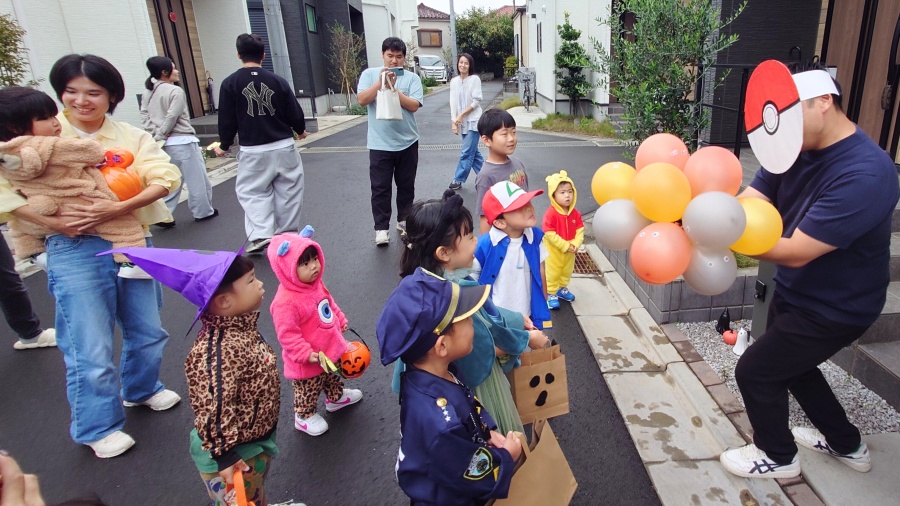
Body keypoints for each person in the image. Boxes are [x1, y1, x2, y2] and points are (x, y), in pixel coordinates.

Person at [719, 62, 900, 479]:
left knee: (756, 370)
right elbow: (756, 196)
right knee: (795, 368)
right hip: (796, 289)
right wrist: (719, 218)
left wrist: (727, 236)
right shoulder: (791, 147)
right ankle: (847, 444)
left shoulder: (867, 172)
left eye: (791, 112)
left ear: (823, 102)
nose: (782, 128)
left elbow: (797, 251)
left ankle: (778, 456)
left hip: (838, 306)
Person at [0, 54, 182, 458]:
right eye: (71, 92)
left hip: (130, 238)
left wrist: (117, 207)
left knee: (148, 330)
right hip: (72, 246)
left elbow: (165, 176)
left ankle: (141, 388)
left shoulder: (130, 135)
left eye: (93, 92)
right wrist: (53, 222)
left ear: (112, 96)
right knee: (89, 344)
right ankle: (97, 425)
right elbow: (5, 189)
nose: (81, 101)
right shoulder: (34, 133)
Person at [398, 189, 549, 434]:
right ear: (444, 253)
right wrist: (526, 340)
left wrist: (514, 319)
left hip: (433, 385)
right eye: (469, 237)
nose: (476, 241)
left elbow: (485, 315)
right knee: (490, 437)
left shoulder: (426, 284)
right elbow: (477, 347)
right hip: (475, 389)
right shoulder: (455, 297)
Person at [376, 268, 522, 505]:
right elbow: (473, 474)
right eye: (466, 319)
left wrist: (485, 433)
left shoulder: (435, 373)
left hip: (448, 469)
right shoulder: (441, 424)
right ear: (442, 346)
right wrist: (506, 456)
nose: (472, 321)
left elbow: (468, 407)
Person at [0, 87, 147, 270]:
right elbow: (92, 152)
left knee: (20, 229)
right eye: (45, 118)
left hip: (38, 214)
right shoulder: (53, 146)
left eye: (54, 116)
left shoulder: (5, 154)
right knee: (125, 228)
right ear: (15, 126)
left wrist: (50, 222)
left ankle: (31, 251)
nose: (55, 123)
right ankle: (130, 261)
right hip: (82, 209)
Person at [214, 34, 308, 255]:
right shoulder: (278, 81)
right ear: (263, 55)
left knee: (253, 192)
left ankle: (261, 234)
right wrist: (300, 129)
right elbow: (293, 110)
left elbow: (227, 119)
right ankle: (287, 235)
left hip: (253, 149)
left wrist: (224, 145)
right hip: (283, 146)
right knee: (289, 191)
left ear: (238, 54)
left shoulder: (230, 83)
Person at [267, 226, 363, 436]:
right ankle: (303, 416)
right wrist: (304, 353)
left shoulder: (315, 285)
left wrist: (340, 319)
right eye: (305, 263)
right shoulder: (285, 303)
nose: (314, 266)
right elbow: (287, 335)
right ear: (287, 269)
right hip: (308, 360)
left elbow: (328, 304)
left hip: (328, 350)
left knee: (331, 377)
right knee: (307, 390)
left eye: (315, 259)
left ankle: (335, 398)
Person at [356, 37, 424, 246]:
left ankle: (404, 222)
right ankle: (381, 229)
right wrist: (381, 82)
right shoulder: (369, 75)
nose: (394, 60)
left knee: (406, 187)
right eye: (390, 56)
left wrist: (394, 89)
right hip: (379, 144)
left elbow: (414, 105)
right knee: (380, 188)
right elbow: (362, 100)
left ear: (404, 58)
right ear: (383, 55)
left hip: (408, 142)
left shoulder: (412, 78)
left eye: (399, 56)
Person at [141, 56, 217, 224]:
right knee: (197, 180)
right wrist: (163, 132)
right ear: (164, 72)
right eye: (173, 68)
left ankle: (163, 215)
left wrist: (157, 134)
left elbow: (144, 116)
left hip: (164, 145)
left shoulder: (148, 92)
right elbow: (172, 116)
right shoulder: (175, 91)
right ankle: (203, 211)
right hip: (182, 141)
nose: (176, 71)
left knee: (172, 180)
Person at [474, 181, 551, 331]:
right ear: (500, 222)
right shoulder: (485, 245)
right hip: (497, 318)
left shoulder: (535, 237)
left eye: (528, 202)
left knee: (527, 344)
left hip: (527, 312)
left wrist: (544, 300)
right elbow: (472, 281)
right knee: (502, 346)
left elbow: (541, 269)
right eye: (519, 207)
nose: (529, 208)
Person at [473, 109, 529, 234]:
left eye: (513, 132)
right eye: (504, 134)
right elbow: (485, 218)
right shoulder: (486, 176)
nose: (511, 138)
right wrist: (488, 245)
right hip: (505, 238)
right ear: (487, 140)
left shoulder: (518, 163)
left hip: (523, 233)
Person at [541, 170, 584, 310]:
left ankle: (561, 288)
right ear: (553, 195)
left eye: (570, 191)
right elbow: (549, 233)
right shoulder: (551, 214)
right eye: (562, 192)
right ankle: (551, 293)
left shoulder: (575, 213)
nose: (567, 195)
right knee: (553, 272)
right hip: (554, 251)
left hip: (570, 250)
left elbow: (580, 230)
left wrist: (575, 244)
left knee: (567, 270)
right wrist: (565, 245)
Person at [448, 53, 484, 190]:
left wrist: (461, 115)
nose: (463, 65)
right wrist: (454, 121)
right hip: (462, 122)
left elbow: (476, 101)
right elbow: (453, 103)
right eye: (461, 62)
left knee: (467, 152)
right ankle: (487, 177)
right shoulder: (454, 81)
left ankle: (458, 179)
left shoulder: (474, 79)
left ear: (470, 65)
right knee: (473, 153)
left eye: (466, 63)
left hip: (474, 121)